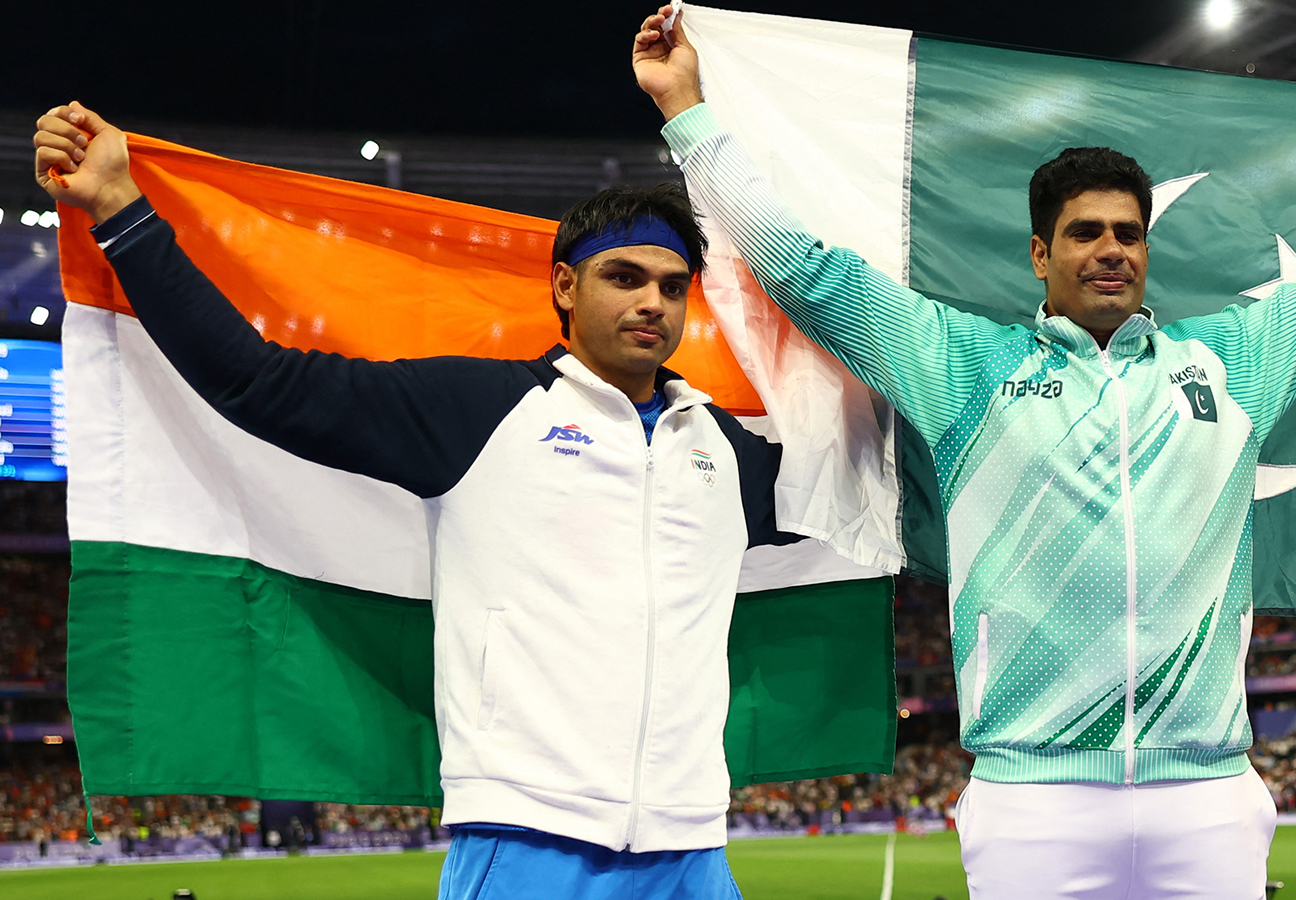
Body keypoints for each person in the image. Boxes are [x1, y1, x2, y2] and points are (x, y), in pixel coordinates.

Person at [632, 9, 1296, 898]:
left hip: (1205, 794)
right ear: (1041, 255)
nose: (1111, 250)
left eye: (1128, 233)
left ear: (1148, 253)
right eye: (1086, 233)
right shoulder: (964, 365)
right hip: (1032, 802)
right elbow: (807, 272)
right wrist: (687, 109)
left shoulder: (1234, 361)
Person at [34, 100, 798, 899]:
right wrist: (122, 210)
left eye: (674, 287)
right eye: (626, 277)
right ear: (566, 287)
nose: (653, 303)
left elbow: (861, 496)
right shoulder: (476, 410)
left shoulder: (721, 450)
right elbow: (259, 383)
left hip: (695, 848)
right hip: (527, 842)